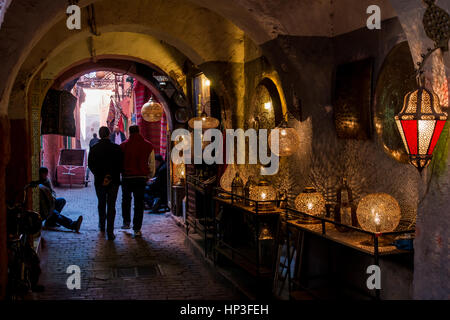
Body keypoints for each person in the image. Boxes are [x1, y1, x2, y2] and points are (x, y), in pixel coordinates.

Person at [88, 126, 123, 240]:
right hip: (113, 181)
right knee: (111, 205)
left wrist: (100, 175)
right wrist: (111, 175)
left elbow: (91, 165)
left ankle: (102, 225)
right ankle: (110, 232)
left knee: (101, 203)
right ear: (109, 134)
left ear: (99, 134)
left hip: (100, 181)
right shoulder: (116, 148)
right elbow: (121, 165)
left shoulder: (94, 148)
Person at [120, 125, 155, 237]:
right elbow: (152, 163)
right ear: (139, 131)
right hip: (140, 178)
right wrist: (149, 175)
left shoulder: (123, 146)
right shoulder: (148, 145)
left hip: (127, 178)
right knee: (139, 203)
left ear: (129, 132)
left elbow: (119, 162)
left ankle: (126, 222)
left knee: (126, 200)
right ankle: (137, 228)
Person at [37, 167, 83, 232]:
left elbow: (52, 192)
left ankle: (50, 222)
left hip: (50, 202)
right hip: (43, 209)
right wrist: (50, 210)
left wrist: (52, 198)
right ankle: (73, 225)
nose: (45, 175)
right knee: (55, 214)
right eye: (43, 174)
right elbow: (42, 204)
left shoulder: (46, 181)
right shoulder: (37, 185)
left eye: (46, 174)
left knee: (62, 201)